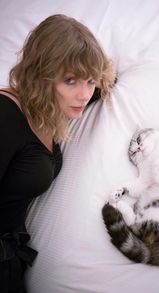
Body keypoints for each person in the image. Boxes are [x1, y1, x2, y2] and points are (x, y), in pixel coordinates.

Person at [0, 14, 116, 293]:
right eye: (71, 81)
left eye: (90, 81)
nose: (84, 95)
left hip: (12, 256)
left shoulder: (55, 106)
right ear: (41, 75)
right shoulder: (4, 115)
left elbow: (104, 81)